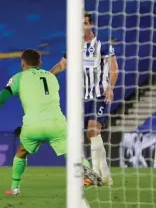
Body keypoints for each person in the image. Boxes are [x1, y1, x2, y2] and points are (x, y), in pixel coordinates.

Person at [0, 49, 102, 195]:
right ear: (40, 63)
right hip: (58, 123)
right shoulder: (51, 78)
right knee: (74, 154)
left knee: (21, 152)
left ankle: (15, 188)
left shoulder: (18, 78)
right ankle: (87, 171)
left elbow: (0, 100)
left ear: (22, 63)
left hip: (33, 125)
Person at [50, 12, 118, 185]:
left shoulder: (102, 46)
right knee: (87, 135)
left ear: (91, 25)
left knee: (93, 131)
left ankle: (96, 174)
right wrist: (48, 75)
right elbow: (62, 64)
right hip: (81, 98)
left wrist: (110, 86)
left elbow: (114, 68)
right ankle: (105, 176)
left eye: (85, 23)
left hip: (98, 94)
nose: (82, 27)